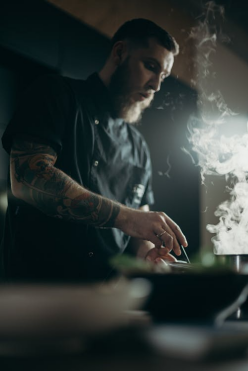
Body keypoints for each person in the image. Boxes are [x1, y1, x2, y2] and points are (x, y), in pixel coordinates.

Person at [0, 18, 187, 281]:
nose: (156, 85)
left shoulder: (139, 147)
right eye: (150, 66)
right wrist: (125, 217)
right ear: (120, 52)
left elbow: (139, 234)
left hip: (108, 302)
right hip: (37, 298)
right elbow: (27, 179)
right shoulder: (56, 94)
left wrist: (148, 255)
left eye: (163, 75)